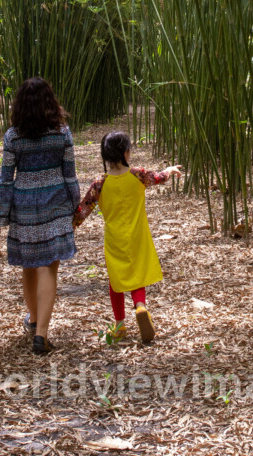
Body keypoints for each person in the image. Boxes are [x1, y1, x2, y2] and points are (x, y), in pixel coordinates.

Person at [0, 78, 81, 354]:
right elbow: (69, 174)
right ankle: (41, 333)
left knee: (29, 264)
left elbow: (5, 180)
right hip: (55, 203)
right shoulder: (61, 132)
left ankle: (36, 319)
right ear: (50, 102)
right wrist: (76, 207)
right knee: (48, 266)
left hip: (24, 205)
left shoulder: (13, 136)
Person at [72, 131, 181, 343]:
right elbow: (159, 177)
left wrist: (68, 227)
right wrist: (169, 169)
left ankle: (120, 326)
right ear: (125, 153)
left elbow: (82, 211)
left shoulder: (99, 184)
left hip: (114, 237)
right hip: (138, 234)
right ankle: (140, 307)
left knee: (116, 280)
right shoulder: (137, 174)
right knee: (137, 274)